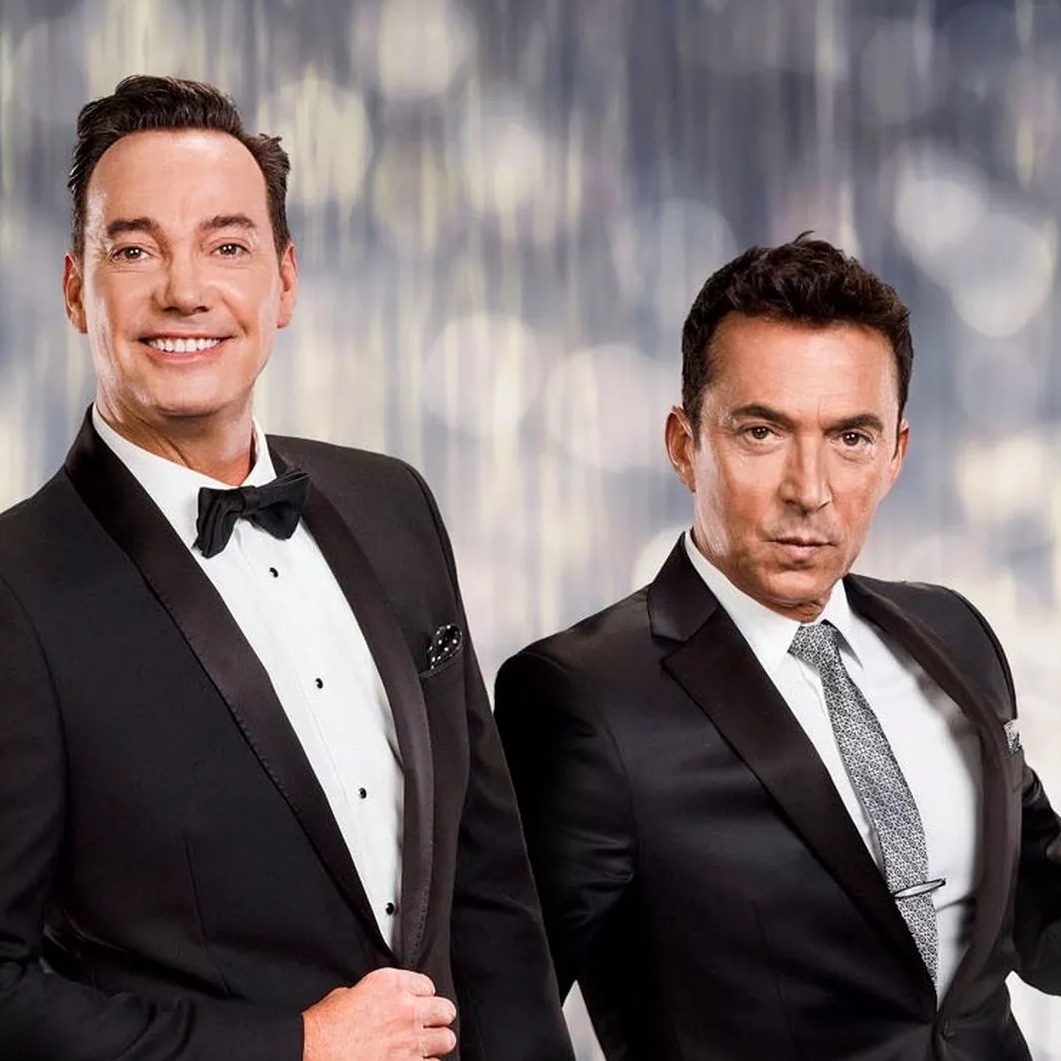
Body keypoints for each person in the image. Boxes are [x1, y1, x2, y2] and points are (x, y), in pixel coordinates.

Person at [0, 74, 574, 1061]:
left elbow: (487, 892)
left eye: (227, 246)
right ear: (73, 289)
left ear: (286, 281)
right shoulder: (16, 589)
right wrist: (294, 1044)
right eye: (135, 250)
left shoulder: (392, 502)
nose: (185, 289)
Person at [494, 235, 1061, 1060]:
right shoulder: (582, 697)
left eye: (850, 437)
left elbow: (1039, 912)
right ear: (684, 444)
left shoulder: (953, 633)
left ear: (895, 454)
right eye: (762, 431)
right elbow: (500, 1011)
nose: (809, 489)